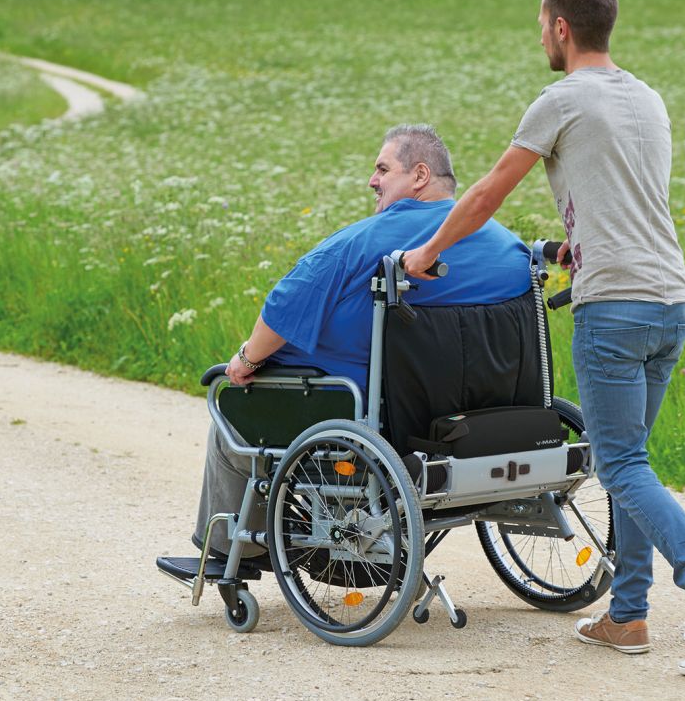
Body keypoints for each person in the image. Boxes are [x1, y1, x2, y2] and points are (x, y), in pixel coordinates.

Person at [402, 0, 685, 676]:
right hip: (669, 300)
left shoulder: (561, 99)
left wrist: (426, 252)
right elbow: (619, 196)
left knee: (620, 464)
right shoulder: (647, 98)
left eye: (541, 24)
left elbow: (488, 192)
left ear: (561, 27)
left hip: (614, 307)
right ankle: (627, 615)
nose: (541, 35)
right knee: (634, 465)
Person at [188, 124, 532, 566]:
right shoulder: (508, 247)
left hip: (374, 417)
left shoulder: (360, 243)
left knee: (232, 413)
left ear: (420, 176)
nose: (372, 180)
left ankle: (227, 554)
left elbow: (281, 311)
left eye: (382, 169)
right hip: (481, 416)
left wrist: (243, 360)